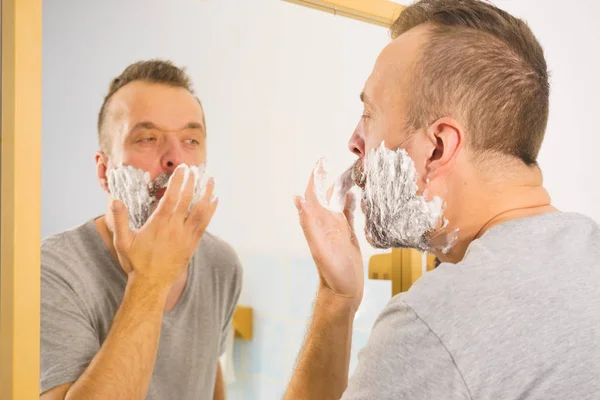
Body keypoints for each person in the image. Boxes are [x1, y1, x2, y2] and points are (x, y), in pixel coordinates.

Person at [285, 0, 600, 399]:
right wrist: (339, 293)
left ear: (436, 148)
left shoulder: (433, 329)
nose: (354, 141)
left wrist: (333, 303)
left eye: (369, 114)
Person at [40, 60, 242, 400]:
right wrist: (150, 281)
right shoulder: (53, 270)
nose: (175, 159)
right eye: (148, 138)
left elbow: (208, 376)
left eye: (191, 140)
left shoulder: (221, 264)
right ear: (104, 171)